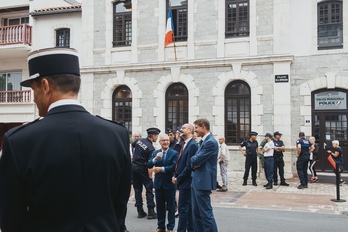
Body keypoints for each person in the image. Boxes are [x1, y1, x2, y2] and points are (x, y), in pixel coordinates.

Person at [0, 47, 131, 232]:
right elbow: (119, 207)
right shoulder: (117, 134)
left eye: (34, 88)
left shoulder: (20, 140)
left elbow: (11, 219)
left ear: (45, 86)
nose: (35, 98)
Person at [190, 118, 218, 232]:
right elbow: (194, 160)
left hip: (203, 181)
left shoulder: (210, 142)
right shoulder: (203, 141)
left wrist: (194, 162)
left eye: (196, 127)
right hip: (197, 180)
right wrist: (194, 162)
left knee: (205, 213)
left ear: (204, 127)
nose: (195, 130)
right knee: (196, 212)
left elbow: (195, 160)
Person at [147, 134, 178, 232]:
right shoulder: (156, 152)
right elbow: (149, 164)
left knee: (171, 207)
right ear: (159, 142)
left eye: (167, 140)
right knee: (160, 207)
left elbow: (173, 167)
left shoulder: (174, 153)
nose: (165, 142)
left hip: (169, 183)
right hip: (159, 184)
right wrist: (155, 158)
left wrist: (161, 169)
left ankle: (170, 227)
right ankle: (161, 226)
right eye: (163, 140)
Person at [172, 123, 198, 232]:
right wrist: (175, 175)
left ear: (190, 130)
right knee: (187, 209)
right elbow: (180, 162)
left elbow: (189, 166)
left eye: (183, 128)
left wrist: (179, 178)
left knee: (183, 210)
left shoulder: (192, 145)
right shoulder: (184, 143)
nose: (181, 129)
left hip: (186, 182)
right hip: (183, 180)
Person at [131, 127, 160, 219]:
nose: (157, 138)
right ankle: (151, 211)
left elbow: (132, 145)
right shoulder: (151, 148)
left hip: (134, 166)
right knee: (149, 188)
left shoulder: (140, 140)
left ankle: (140, 211)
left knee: (137, 189)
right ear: (153, 136)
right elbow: (150, 163)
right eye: (157, 136)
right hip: (143, 168)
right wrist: (150, 176)